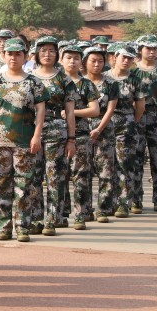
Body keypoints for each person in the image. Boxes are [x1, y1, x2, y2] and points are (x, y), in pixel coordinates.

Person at [0, 37, 48, 242]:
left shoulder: (33, 82)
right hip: (0, 142)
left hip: (24, 142)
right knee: (1, 185)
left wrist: (37, 136)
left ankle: (22, 227)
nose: (13, 57)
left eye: (18, 54)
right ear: (3, 55)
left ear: (25, 56)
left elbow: (41, 110)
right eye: (9, 53)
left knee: (24, 186)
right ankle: (4, 226)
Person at [30, 36, 77, 235]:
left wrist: (71, 139)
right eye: (43, 51)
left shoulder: (63, 78)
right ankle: (35, 217)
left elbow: (71, 111)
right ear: (37, 54)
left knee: (55, 176)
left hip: (57, 130)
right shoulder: (29, 77)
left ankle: (53, 217)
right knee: (33, 176)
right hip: (31, 131)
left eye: (51, 51)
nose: (47, 54)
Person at [60, 45, 101, 229]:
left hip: (81, 134)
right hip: (56, 134)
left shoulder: (86, 84)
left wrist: (71, 113)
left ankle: (81, 213)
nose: (72, 61)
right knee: (59, 175)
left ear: (81, 62)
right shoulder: (56, 81)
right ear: (61, 60)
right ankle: (61, 213)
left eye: (76, 58)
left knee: (81, 175)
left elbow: (94, 110)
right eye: (68, 57)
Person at [131, 35, 157, 213]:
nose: (152, 51)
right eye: (148, 48)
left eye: (154, 48)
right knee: (136, 158)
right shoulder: (133, 70)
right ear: (140, 50)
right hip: (138, 116)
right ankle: (136, 199)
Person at [105, 44, 146, 218]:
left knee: (124, 163)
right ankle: (107, 202)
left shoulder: (135, 79)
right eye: (123, 57)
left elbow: (140, 106)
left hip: (126, 123)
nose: (126, 61)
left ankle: (123, 202)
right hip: (105, 123)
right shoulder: (104, 77)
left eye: (130, 58)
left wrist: (132, 122)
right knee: (106, 164)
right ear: (115, 57)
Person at [84, 47, 118, 223]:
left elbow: (111, 109)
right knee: (84, 170)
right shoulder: (78, 83)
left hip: (104, 128)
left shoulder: (111, 83)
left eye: (100, 61)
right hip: (82, 129)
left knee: (106, 170)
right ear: (85, 62)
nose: (97, 64)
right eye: (93, 61)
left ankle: (103, 209)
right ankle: (85, 209)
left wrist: (98, 129)